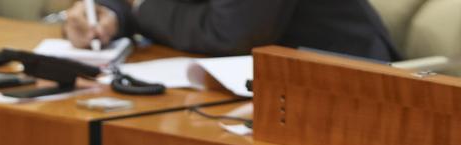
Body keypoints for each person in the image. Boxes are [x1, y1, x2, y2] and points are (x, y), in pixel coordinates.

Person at [64, 0, 400, 61]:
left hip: (341, 79)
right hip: (229, 81)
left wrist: (138, 7)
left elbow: (231, 31)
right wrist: (107, 14)